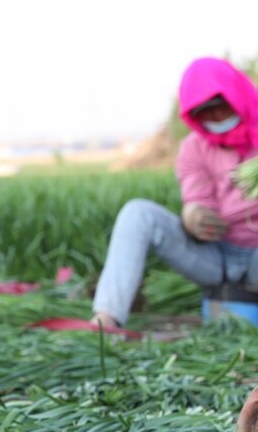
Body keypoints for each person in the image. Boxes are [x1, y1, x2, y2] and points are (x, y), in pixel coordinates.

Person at [90, 56, 258, 330]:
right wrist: (193, 217)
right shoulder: (193, 148)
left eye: (220, 106)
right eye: (205, 112)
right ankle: (106, 322)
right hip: (214, 257)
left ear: (236, 96)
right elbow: (197, 199)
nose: (215, 117)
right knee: (137, 213)